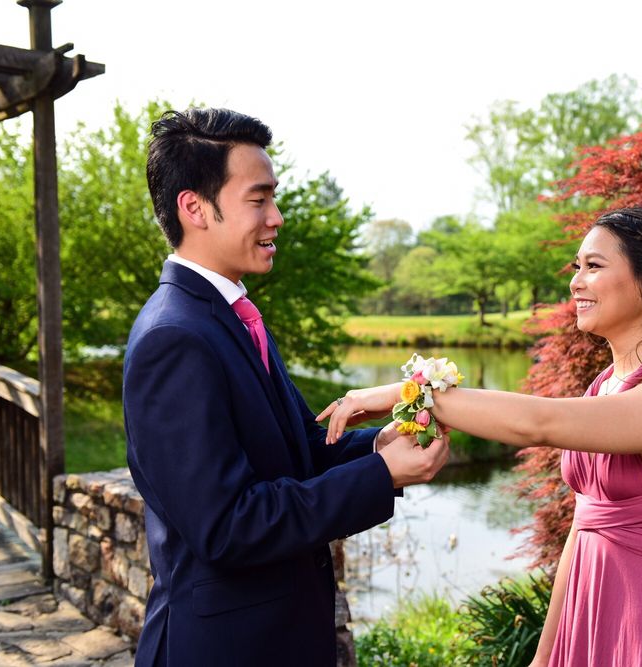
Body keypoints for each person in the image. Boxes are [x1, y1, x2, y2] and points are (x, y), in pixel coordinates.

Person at [320, 207, 642, 665]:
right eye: (576, 266)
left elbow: (539, 423)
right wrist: (545, 654)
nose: (575, 282)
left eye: (593, 266)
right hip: (588, 623)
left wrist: (407, 393)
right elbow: (584, 527)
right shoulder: (606, 385)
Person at [123, 107, 450, 666]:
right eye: (259, 200)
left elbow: (297, 453)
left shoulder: (229, 314)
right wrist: (381, 475)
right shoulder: (173, 338)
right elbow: (227, 526)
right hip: (227, 650)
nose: (276, 218)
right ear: (194, 208)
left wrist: (377, 446)